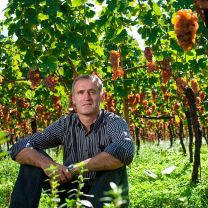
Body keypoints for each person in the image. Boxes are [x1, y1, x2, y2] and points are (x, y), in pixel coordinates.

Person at [9, 74, 135, 208]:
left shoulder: (114, 122)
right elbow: (19, 147)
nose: (86, 97)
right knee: (32, 159)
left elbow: (125, 150)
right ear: (73, 99)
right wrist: (46, 164)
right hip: (71, 191)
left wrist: (75, 169)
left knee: (114, 161)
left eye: (92, 92)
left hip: (105, 194)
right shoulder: (65, 125)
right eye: (80, 92)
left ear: (102, 97)